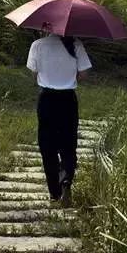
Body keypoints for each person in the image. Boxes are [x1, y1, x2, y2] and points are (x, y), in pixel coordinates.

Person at [26, 34, 91, 205]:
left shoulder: (37, 45)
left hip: (47, 99)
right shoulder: (76, 44)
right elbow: (84, 74)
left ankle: (54, 192)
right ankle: (66, 179)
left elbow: (33, 74)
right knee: (69, 143)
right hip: (68, 99)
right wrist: (70, 78)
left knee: (47, 145)